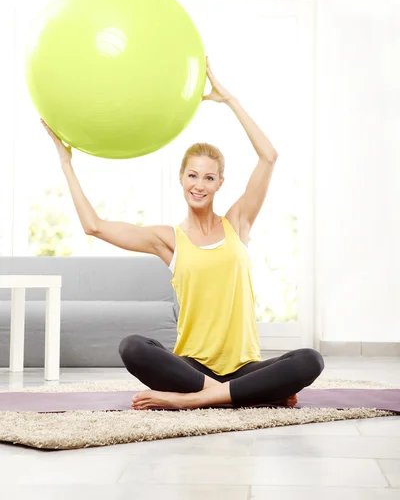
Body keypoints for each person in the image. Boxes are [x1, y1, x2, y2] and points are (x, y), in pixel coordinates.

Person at [42, 57, 324, 411]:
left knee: (310, 360)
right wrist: (66, 163)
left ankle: (201, 399)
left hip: (244, 367)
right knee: (132, 347)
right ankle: (235, 394)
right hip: (192, 368)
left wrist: (230, 100)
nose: (199, 185)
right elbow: (93, 225)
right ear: (181, 178)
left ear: (220, 183)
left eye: (209, 178)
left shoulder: (238, 223)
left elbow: (268, 156)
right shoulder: (168, 239)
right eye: (193, 176)